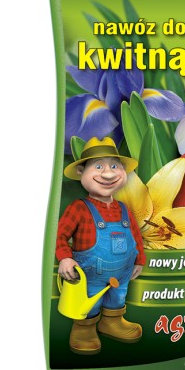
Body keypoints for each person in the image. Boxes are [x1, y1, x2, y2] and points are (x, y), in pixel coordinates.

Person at [56, 136, 145, 355]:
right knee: (90, 302)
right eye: (98, 167)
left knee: (118, 297)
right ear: (81, 172)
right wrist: (65, 258)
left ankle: (112, 322)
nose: (108, 174)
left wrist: (140, 259)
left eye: (114, 166)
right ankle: (84, 329)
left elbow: (135, 236)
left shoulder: (124, 208)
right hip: (90, 275)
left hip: (122, 274)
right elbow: (60, 235)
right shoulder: (79, 208)